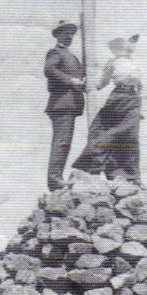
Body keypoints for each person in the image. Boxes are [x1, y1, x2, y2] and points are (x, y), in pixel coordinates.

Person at [72, 34, 144, 187]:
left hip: (133, 99)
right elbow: (102, 82)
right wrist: (90, 87)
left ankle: (131, 175)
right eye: (121, 48)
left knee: (130, 137)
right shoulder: (112, 63)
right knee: (102, 131)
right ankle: (92, 167)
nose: (125, 50)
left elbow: (140, 86)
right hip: (118, 97)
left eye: (126, 48)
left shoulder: (134, 65)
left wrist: (140, 107)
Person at [44, 20, 85, 191]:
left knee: (65, 143)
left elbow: (80, 77)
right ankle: (54, 179)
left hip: (71, 105)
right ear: (58, 35)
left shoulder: (73, 57)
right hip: (61, 104)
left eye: (71, 34)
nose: (69, 37)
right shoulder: (55, 52)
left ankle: (57, 178)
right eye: (65, 33)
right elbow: (49, 70)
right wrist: (71, 80)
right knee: (61, 142)